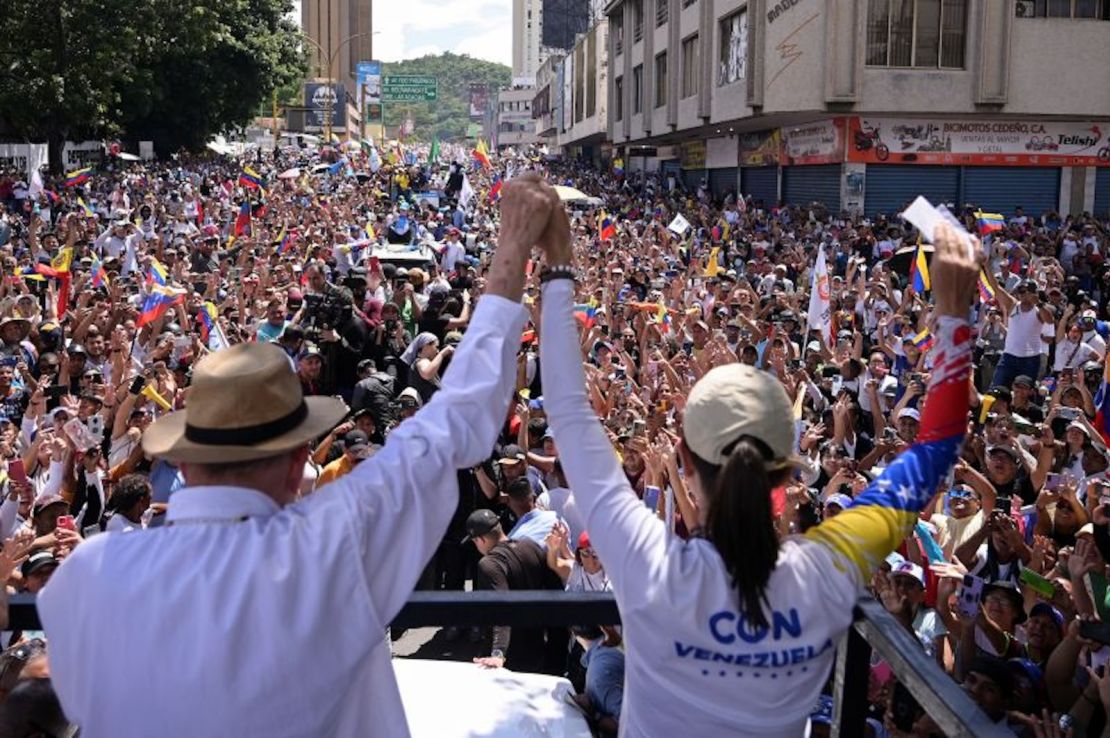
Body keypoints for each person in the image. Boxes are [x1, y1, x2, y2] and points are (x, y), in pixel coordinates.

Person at [36, 175, 553, 736]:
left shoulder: (87, 577)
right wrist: (513, 249)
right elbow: (462, 417)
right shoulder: (333, 543)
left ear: (182, 462)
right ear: (297, 457)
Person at [537, 207, 981, 735]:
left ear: (684, 460)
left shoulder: (647, 562)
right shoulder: (826, 571)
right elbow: (934, 451)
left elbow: (565, 409)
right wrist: (956, 310)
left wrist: (558, 266)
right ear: (784, 479)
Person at [463, 509, 567, 675]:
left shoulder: (489, 565)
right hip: (539, 645)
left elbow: (502, 608)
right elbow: (555, 591)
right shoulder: (531, 545)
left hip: (512, 656)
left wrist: (498, 653)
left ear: (481, 540)